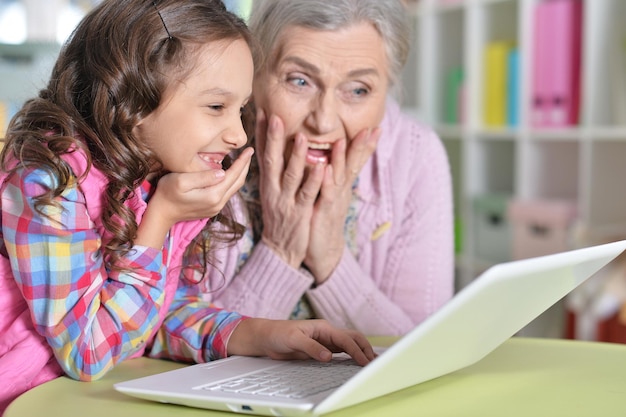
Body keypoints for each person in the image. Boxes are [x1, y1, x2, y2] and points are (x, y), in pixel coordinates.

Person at [0, 0, 375, 412]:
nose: (237, 134)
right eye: (216, 107)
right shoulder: (49, 181)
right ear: (133, 99)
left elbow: (147, 321)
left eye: (241, 109)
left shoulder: (153, 178)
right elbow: (88, 352)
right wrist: (160, 221)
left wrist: (261, 335)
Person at [202, 0, 455, 336]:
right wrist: (280, 250)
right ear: (255, 75)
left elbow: (426, 347)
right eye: (299, 81)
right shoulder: (207, 147)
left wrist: (332, 260)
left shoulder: (413, 155)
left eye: (357, 90)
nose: (323, 121)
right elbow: (171, 345)